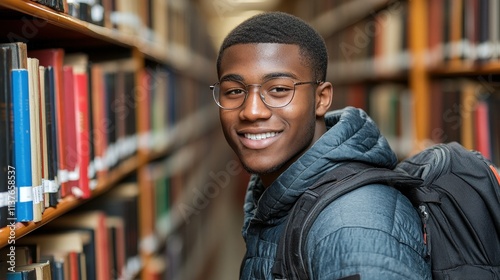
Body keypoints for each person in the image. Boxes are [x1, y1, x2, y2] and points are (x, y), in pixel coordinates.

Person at [213, 11, 431, 280]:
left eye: (279, 89)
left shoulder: (353, 229)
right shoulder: (275, 195)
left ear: (321, 99)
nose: (252, 111)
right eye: (235, 91)